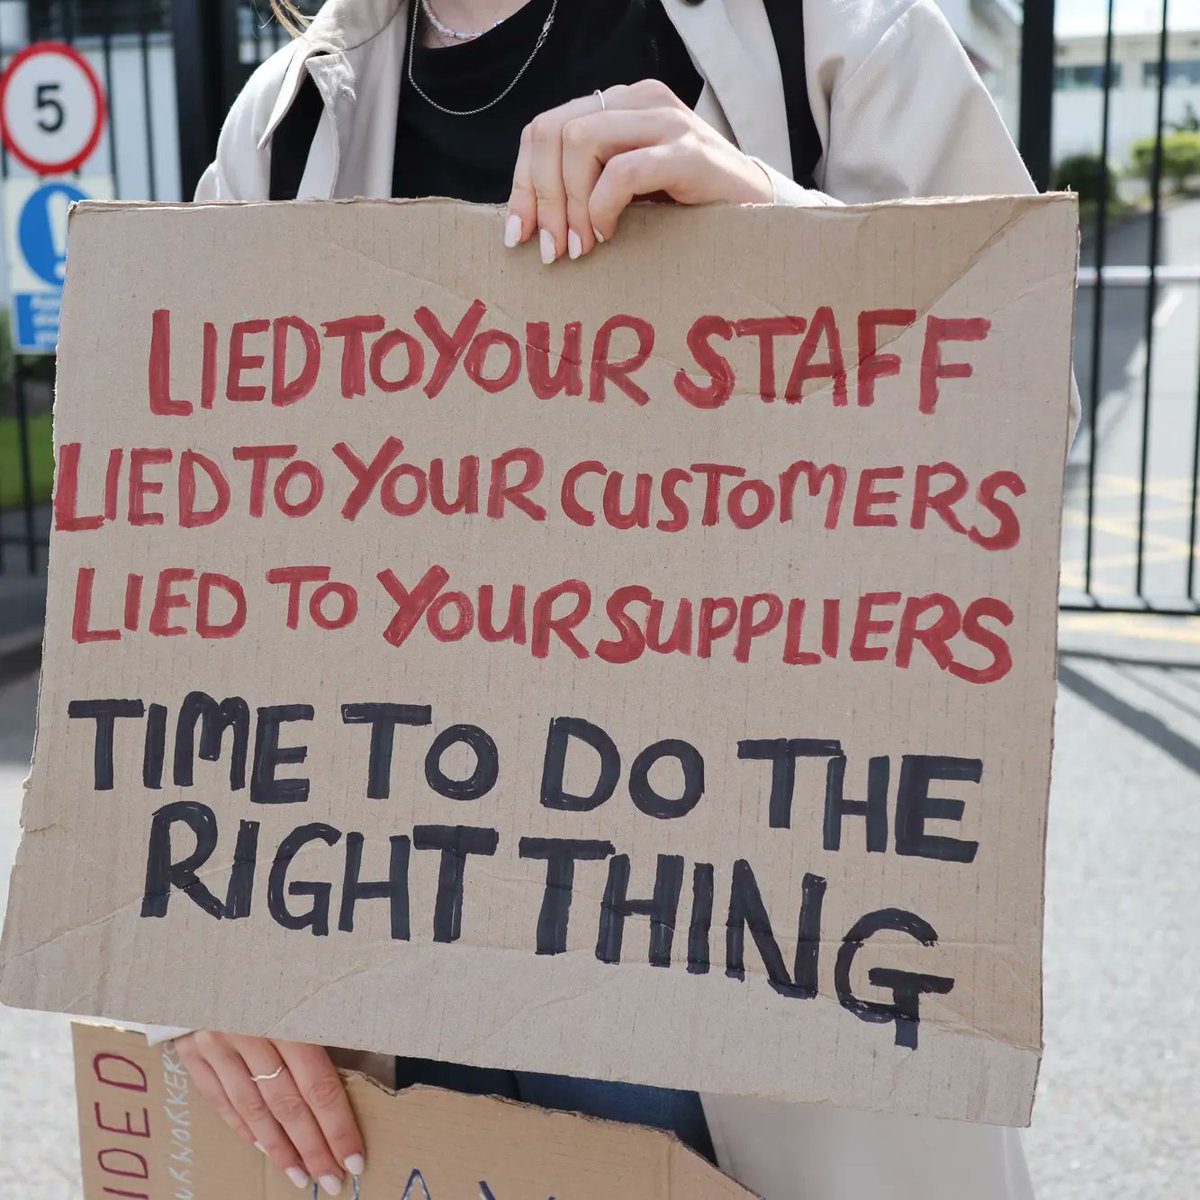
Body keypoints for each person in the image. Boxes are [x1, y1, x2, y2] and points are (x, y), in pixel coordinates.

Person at [149, 1, 1074, 1196]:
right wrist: (184, 938)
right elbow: (190, 578)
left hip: (747, 931)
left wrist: (782, 232)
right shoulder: (282, 130)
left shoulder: (827, 33)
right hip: (398, 962)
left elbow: (1018, 431)